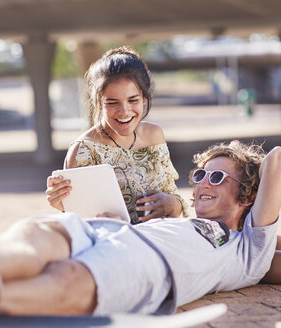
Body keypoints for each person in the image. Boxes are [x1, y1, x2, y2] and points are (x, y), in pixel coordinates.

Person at [0, 140, 281, 327]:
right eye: (200, 174)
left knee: (69, 280)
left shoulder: (246, 250)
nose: (201, 184)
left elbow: (277, 160)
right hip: (110, 230)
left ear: (247, 195)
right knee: (37, 238)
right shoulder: (178, 219)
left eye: (218, 177)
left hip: (150, 266)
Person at [45, 46, 188, 224]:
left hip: (161, 241)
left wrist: (172, 204)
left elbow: (174, 199)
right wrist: (64, 205)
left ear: (144, 99)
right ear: (97, 102)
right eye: (112, 102)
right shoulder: (84, 149)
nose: (124, 111)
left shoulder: (155, 135)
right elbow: (81, 222)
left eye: (133, 100)